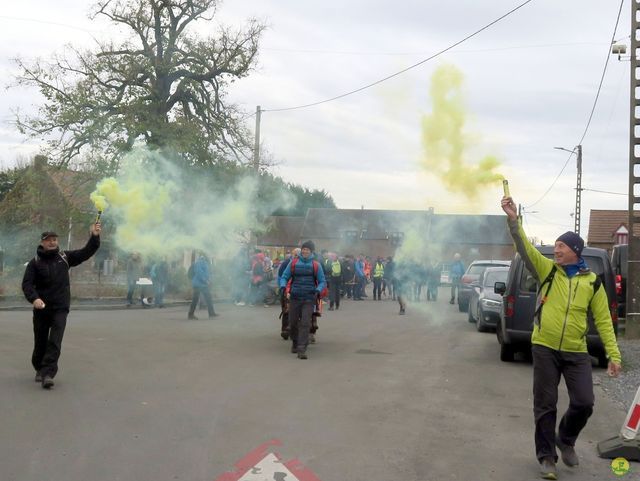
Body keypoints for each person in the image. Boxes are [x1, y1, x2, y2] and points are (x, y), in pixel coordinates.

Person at [501, 195, 622, 480]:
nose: (556, 250)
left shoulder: (592, 282)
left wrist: (614, 355)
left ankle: (565, 438)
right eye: (555, 246)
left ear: (575, 252)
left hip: (575, 350)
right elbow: (525, 249)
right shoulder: (548, 272)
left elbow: (604, 320)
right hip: (544, 346)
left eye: (561, 246)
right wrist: (513, 221)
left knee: (584, 401)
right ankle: (546, 457)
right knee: (545, 404)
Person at [21, 223, 101, 389]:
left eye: (55, 240)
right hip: (41, 309)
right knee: (40, 342)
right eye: (48, 240)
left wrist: (94, 236)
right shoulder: (34, 263)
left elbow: (86, 252)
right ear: (42, 242)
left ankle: (48, 373)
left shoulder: (65, 258)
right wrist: (34, 299)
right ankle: (39, 366)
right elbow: (27, 285)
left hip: (60, 308)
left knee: (55, 341)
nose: (52, 242)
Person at [279, 240, 326, 360]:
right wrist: (283, 286)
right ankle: (295, 342)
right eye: (304, 249)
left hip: (309, 298)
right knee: (293, 322)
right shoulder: (293, 263)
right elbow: (284, 276)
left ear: (311, 251)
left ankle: (302, 349)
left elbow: (322, 281)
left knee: (305, 323)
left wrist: (318, 290)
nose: (305, 251)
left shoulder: (316, 265)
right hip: (295, 297)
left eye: (307, 249)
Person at [187, 253, 217, 320]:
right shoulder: (200, 262)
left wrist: (208, 280)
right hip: (199, 284)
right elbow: (199, 272)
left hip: (202, 284)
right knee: (196, 299)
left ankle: (211, 313)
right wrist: (205, 280)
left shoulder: (203, 262)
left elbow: (205, 273)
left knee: (208, 297)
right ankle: (190, 314)